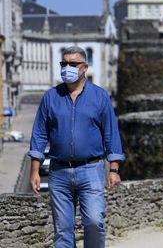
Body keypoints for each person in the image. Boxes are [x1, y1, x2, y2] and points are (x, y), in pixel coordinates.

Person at [28, 46, 125, 248]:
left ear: (84, 68)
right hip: (59, 171)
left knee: (94, 222)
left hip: (91, 169)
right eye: (64, 64)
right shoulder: (50, 98)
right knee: (63, 231)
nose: (67, 68)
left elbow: (111, 135)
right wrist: (35, 171)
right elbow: (38, 134)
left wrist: (114, 169)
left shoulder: (100, 97)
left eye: (73, 64)